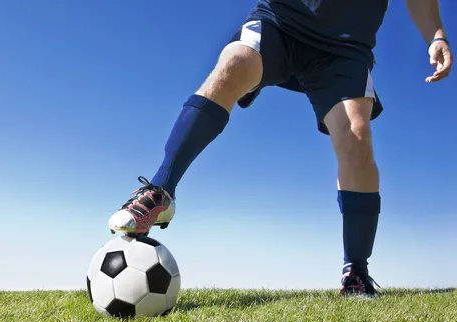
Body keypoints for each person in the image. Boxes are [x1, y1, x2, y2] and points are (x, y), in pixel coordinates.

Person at [108, 0, 452, 297]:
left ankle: (356, 272)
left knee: (356, 136)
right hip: (281, 21)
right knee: (234, 63)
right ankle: (160, 190)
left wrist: (436, 35)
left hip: (345, 49)